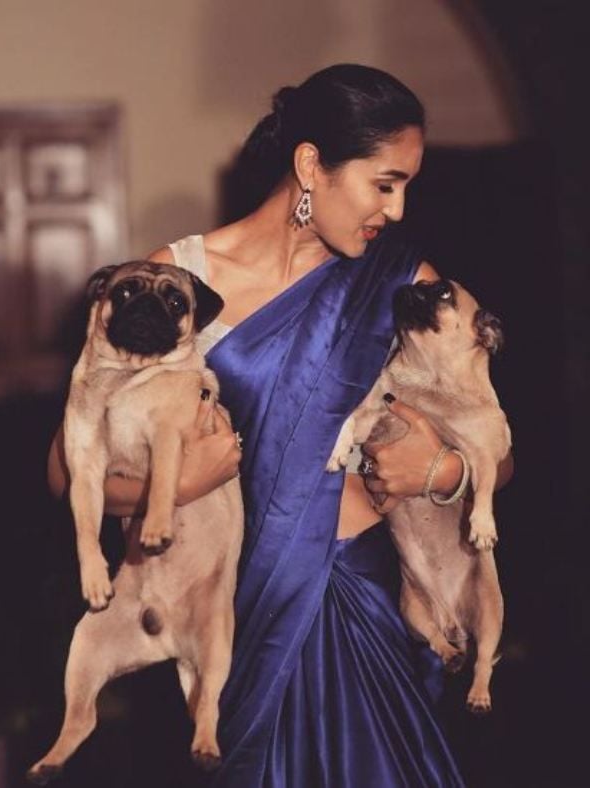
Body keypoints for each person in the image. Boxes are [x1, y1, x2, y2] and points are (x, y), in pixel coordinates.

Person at [49, 64, 512, 786]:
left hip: (357, 608)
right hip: (227, 609)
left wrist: (441, 472)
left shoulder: (403, 286)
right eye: (382, 183)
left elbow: (494, 439)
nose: (395, 210)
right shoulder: (178, 280)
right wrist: (169, 489)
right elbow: (64, 469)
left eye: (406, 189)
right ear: (310, 166)